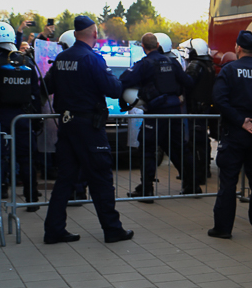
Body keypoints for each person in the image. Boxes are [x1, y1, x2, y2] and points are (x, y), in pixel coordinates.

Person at [42, 15, 132, 245]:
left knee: (65, 179)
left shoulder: (61, 58)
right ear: (94, 34)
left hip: (67, 124)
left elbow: (46, 86)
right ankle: (112, 229)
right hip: (89, 127)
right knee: (101, 178)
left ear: (74, 34)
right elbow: (112, 89)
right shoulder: (92, 59)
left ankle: (54, 229)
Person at [209, 31, 252, 238]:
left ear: (238, 48)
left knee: (228, 182)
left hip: (234, 134)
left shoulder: (229, 70)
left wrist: (240, 121)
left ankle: (223, 228)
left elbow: (219, 100)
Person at [0, 22, 42, 214]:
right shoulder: (25, 62)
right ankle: (31, 199)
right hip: (22, 116)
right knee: (27, 158)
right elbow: (35, 92)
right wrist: (35, 118)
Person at [121, 32, 194, 200]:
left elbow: (125, 80)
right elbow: (188, 82)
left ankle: (146, 189)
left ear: (143, 47)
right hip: (174, 113)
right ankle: (192, 185)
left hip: (156, 114)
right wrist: (179, 97)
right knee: (180, 149)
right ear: (158, 44)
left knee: (147, 149)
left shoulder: (145, 64)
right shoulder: (172, 62)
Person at [183, 38, 217, 194]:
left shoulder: (195, 66)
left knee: (195, 142)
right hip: (205, 109)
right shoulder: (209, 65)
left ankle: (199, 174)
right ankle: (204, 171)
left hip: (196, 109)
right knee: (203, 141)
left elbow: (186, 85)